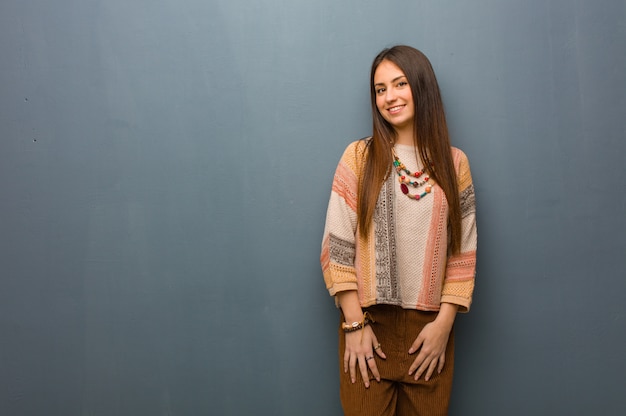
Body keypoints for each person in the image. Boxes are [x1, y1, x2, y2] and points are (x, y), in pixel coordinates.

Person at [320, 45, 477, 415]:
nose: (389, 97)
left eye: (399, 83)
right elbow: (336, 246)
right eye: (380, 89)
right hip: (368, 330)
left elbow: (463, 254)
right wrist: (354, 325)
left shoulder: (455, 164)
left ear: (421, 87)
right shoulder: (359, 157)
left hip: (430, 334)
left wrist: (444, 327)